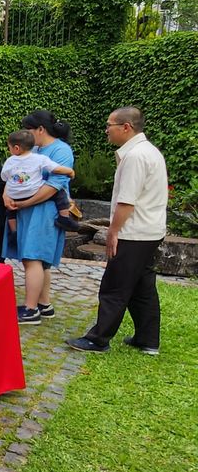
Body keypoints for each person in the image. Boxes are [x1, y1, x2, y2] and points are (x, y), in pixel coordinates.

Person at [67, 107, 168, 354]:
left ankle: (98, 339)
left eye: (110, 125)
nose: (106, 130)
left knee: (115, 286)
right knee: (142, 286)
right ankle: (147, 339)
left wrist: (113, 232)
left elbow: (126, 202)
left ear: (126, 127)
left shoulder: (135, 156)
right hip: (149, 230)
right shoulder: (147, 151)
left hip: (134, 232)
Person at [3, 110, 75, 325]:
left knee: (33, 257)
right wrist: (7, 195)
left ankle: (30, 310)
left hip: (44, 210)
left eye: (28, 130)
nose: (25, 134)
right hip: (27, 209)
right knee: (39, 262)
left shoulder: (61, 151)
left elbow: (55, 185)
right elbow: (14, 175)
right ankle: (44, 304)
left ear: (40, 130)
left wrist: (25, 203)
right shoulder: (33, 149)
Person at [0, 129, 75, 247]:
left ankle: (14, 232)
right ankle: (64, 217)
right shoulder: (40, 158)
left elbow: (4, 177)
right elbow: (56, 169)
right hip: (33, 191)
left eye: (9, 147)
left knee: (10, 211)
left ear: (16, 148)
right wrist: (70, 171)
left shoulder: (10, 161)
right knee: (60, 192)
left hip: (15, 196)